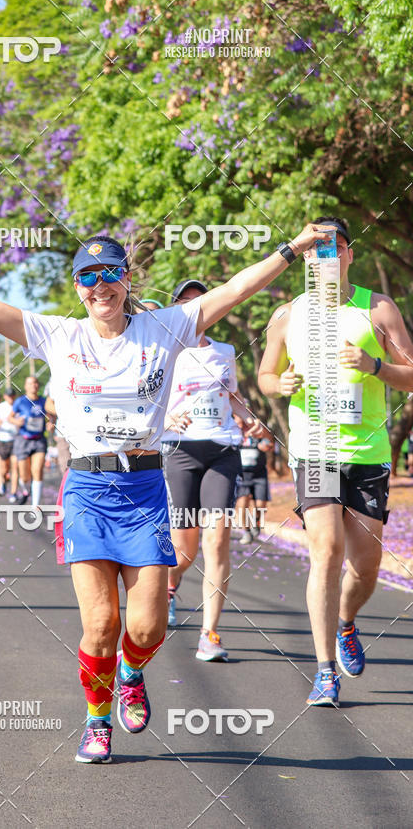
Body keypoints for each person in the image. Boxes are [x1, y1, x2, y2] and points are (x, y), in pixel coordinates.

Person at [0, 224, 328, 763]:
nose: (100, 285)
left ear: (126, 280)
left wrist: (291, 249)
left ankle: (131, 673)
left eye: (110, 273)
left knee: (147, 626)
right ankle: (97, 719)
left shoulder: (165, 328)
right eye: (88, 275)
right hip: (87, 489)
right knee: (101, 623)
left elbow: (237, 289)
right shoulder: (59, 336)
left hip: (146, 489)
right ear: (77, 285)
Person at [258, 216, 413, 706]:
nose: (324, 257)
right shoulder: (287, 315)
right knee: (325, 552)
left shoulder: (378, 309)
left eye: (334, 248)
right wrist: (276, 385)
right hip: (316, 450)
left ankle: (346, 621)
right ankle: (325, 670)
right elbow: (265, 371)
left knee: (365, 568)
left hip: (367, 454)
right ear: (304, 257)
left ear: (349, 254)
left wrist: (374, 366)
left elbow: (411, 375)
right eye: (315, 249)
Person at [162, 279, 266, 662]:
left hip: (223, 449)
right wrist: (169, 417)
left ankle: (210, 633)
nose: (193, 309)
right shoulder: (165, 352)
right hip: (180, 452)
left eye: (199, 303)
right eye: (185, 303)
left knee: (217, 539)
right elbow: (147, 399)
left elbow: (232, 395)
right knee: (183, 547)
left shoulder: (225, 351)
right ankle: (171, 587)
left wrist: (249, 418)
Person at [234, 414, 274, 545]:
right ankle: (246, 532)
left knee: (261, 505)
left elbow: (270, 442)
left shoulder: (257, 429)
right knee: (242, 504)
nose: (242, 420)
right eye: (238, 416)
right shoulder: (232, 430)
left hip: (259, 473)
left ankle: (256, 523)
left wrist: (266, 444)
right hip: (241, 474)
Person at [11, 375, 48, 506]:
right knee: (25, 476)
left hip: (39, 440)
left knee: (37, 470)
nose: (33, 385)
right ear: (26, 386)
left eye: (35, 383)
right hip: (23, 440)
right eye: (30, 383)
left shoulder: (44, 401)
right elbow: (10, 417)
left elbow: (51, 415)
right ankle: (26, 489)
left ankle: (35, 506)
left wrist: (51, 423)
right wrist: (16, 421)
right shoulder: (20, 401)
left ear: (38, 385)